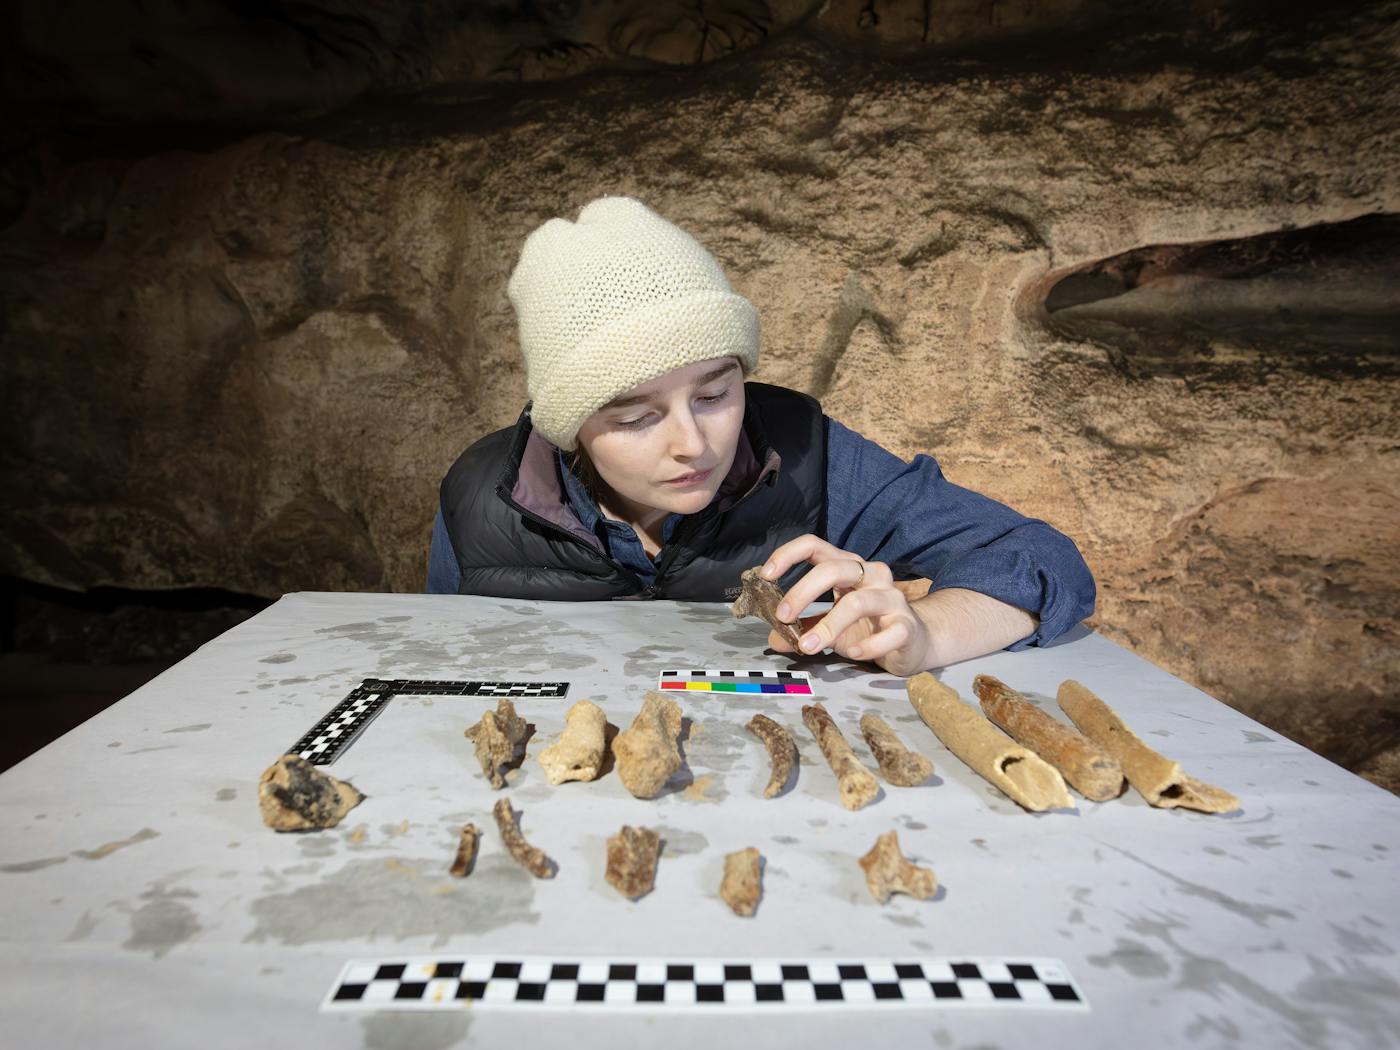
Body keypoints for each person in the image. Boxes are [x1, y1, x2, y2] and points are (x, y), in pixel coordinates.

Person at [427, 196, 1095, 676]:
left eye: (715, 393)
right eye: (635, 417)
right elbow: (444, 670)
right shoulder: (481, 494)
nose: (695, 444)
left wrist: (926, 633)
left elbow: (1044, 559)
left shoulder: (807, 455)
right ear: (570, 426)